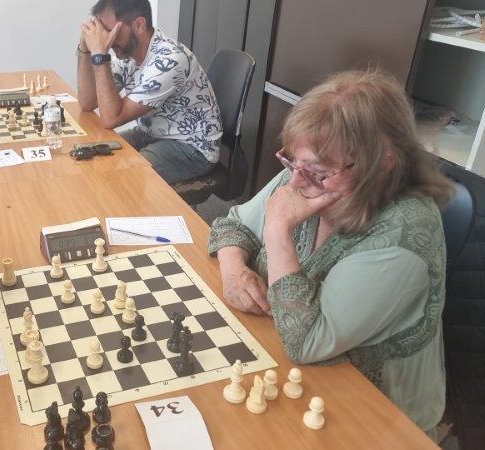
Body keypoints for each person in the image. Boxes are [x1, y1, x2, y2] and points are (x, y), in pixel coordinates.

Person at [208, 70, 453, 438]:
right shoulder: (309, 174)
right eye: (293, 163)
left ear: (382, 164)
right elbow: (232, 226)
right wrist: (232, 270)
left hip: (373, 416)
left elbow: (305, 341)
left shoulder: (404, 235)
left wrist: (276, 231)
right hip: (287, 366)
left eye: (318, 171)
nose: (295, 181)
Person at [77, 0, 222, 184]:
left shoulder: (169, 60)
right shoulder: (128, 54)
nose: (107, 39)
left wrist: (100, 54)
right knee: (93, 154)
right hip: (151, 132)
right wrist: (84, 49)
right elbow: (88, 102)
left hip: (191, 146)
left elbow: (110, 119)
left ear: (139, 25)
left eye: (111, 31)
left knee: (121, 176)